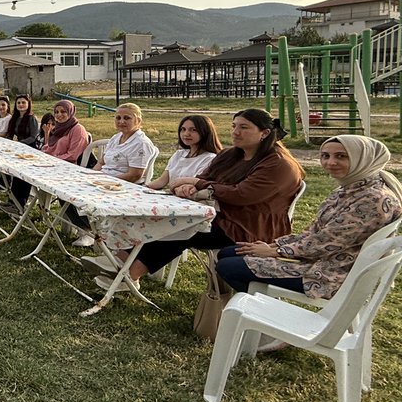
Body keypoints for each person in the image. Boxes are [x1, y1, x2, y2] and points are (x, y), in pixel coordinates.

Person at [98, 109, 305, 294]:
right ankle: (122, 262)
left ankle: (129, 275)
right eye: (234, 126)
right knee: (169, 219)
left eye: (244, 127)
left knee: (185, 227)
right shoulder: (232, 154)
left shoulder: (279, 165)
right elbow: (205, 177)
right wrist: (189, 186)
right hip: (217, 214)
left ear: (265, 133)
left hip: (248, 227)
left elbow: (242, 194)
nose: (235, 132)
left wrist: (197, 184)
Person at [216, 135, 401, 305]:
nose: (330, 162)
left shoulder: (372, 199)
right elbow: (315, 232)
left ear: (363, 159)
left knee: (228, 266)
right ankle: (264, 308)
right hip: (320, 260)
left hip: (331, 274)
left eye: (341, 156)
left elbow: (326, 243)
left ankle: (269, 315)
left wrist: (275, 251)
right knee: (228, 253)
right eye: (325, 156)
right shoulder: (350, 189)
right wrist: (274, 245)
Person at [68, 103, 157, 247]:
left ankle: (95, 232)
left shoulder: (141, 143)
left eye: (127, 118)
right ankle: (86, 229)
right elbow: (101, 162)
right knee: (66, 191)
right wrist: (92, 176)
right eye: (118, 118)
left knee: (77, 195)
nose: (121, 121)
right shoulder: (116, 138)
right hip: (103, 181)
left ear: (138, 121)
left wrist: (105, 180)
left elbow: (134, 175)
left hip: (124, 186)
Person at [146, 115, 221, 191]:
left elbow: (194, 187)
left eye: (193, 130)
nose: (186, 134)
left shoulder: (210, 159)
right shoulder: (179, 154)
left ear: (205, 132)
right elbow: (162, 180)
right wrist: (143, 188)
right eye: (183, 129)